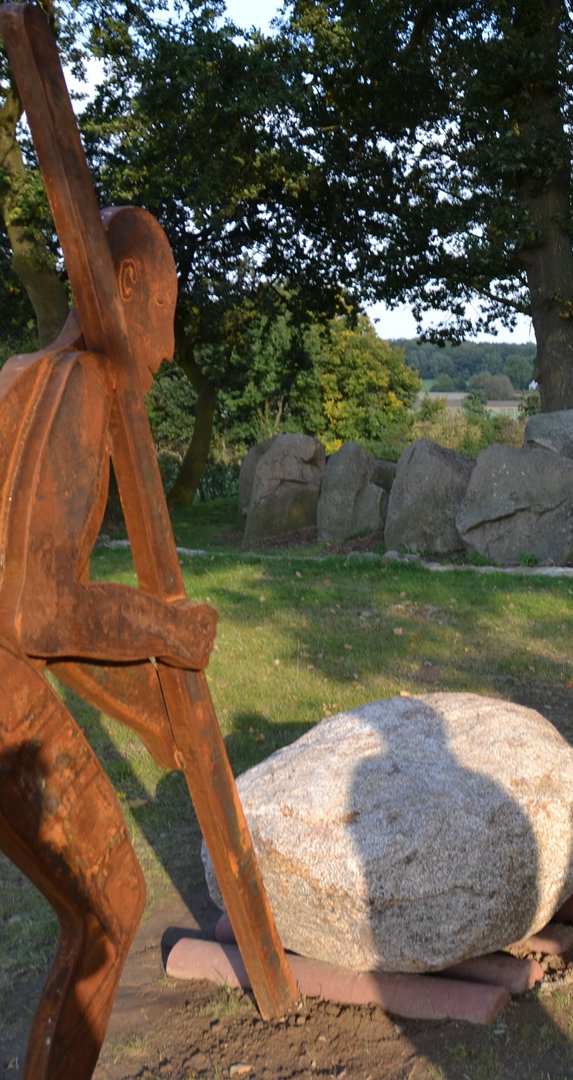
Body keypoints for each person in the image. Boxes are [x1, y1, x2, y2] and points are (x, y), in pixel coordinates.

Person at [0, 205, 216, 1078]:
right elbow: (38, 612)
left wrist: (150, 711)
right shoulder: (86, 382)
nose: (165, 348)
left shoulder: (17, 374)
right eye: (162, 309)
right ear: (125, 284)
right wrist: (169, 627)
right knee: (110, 904)